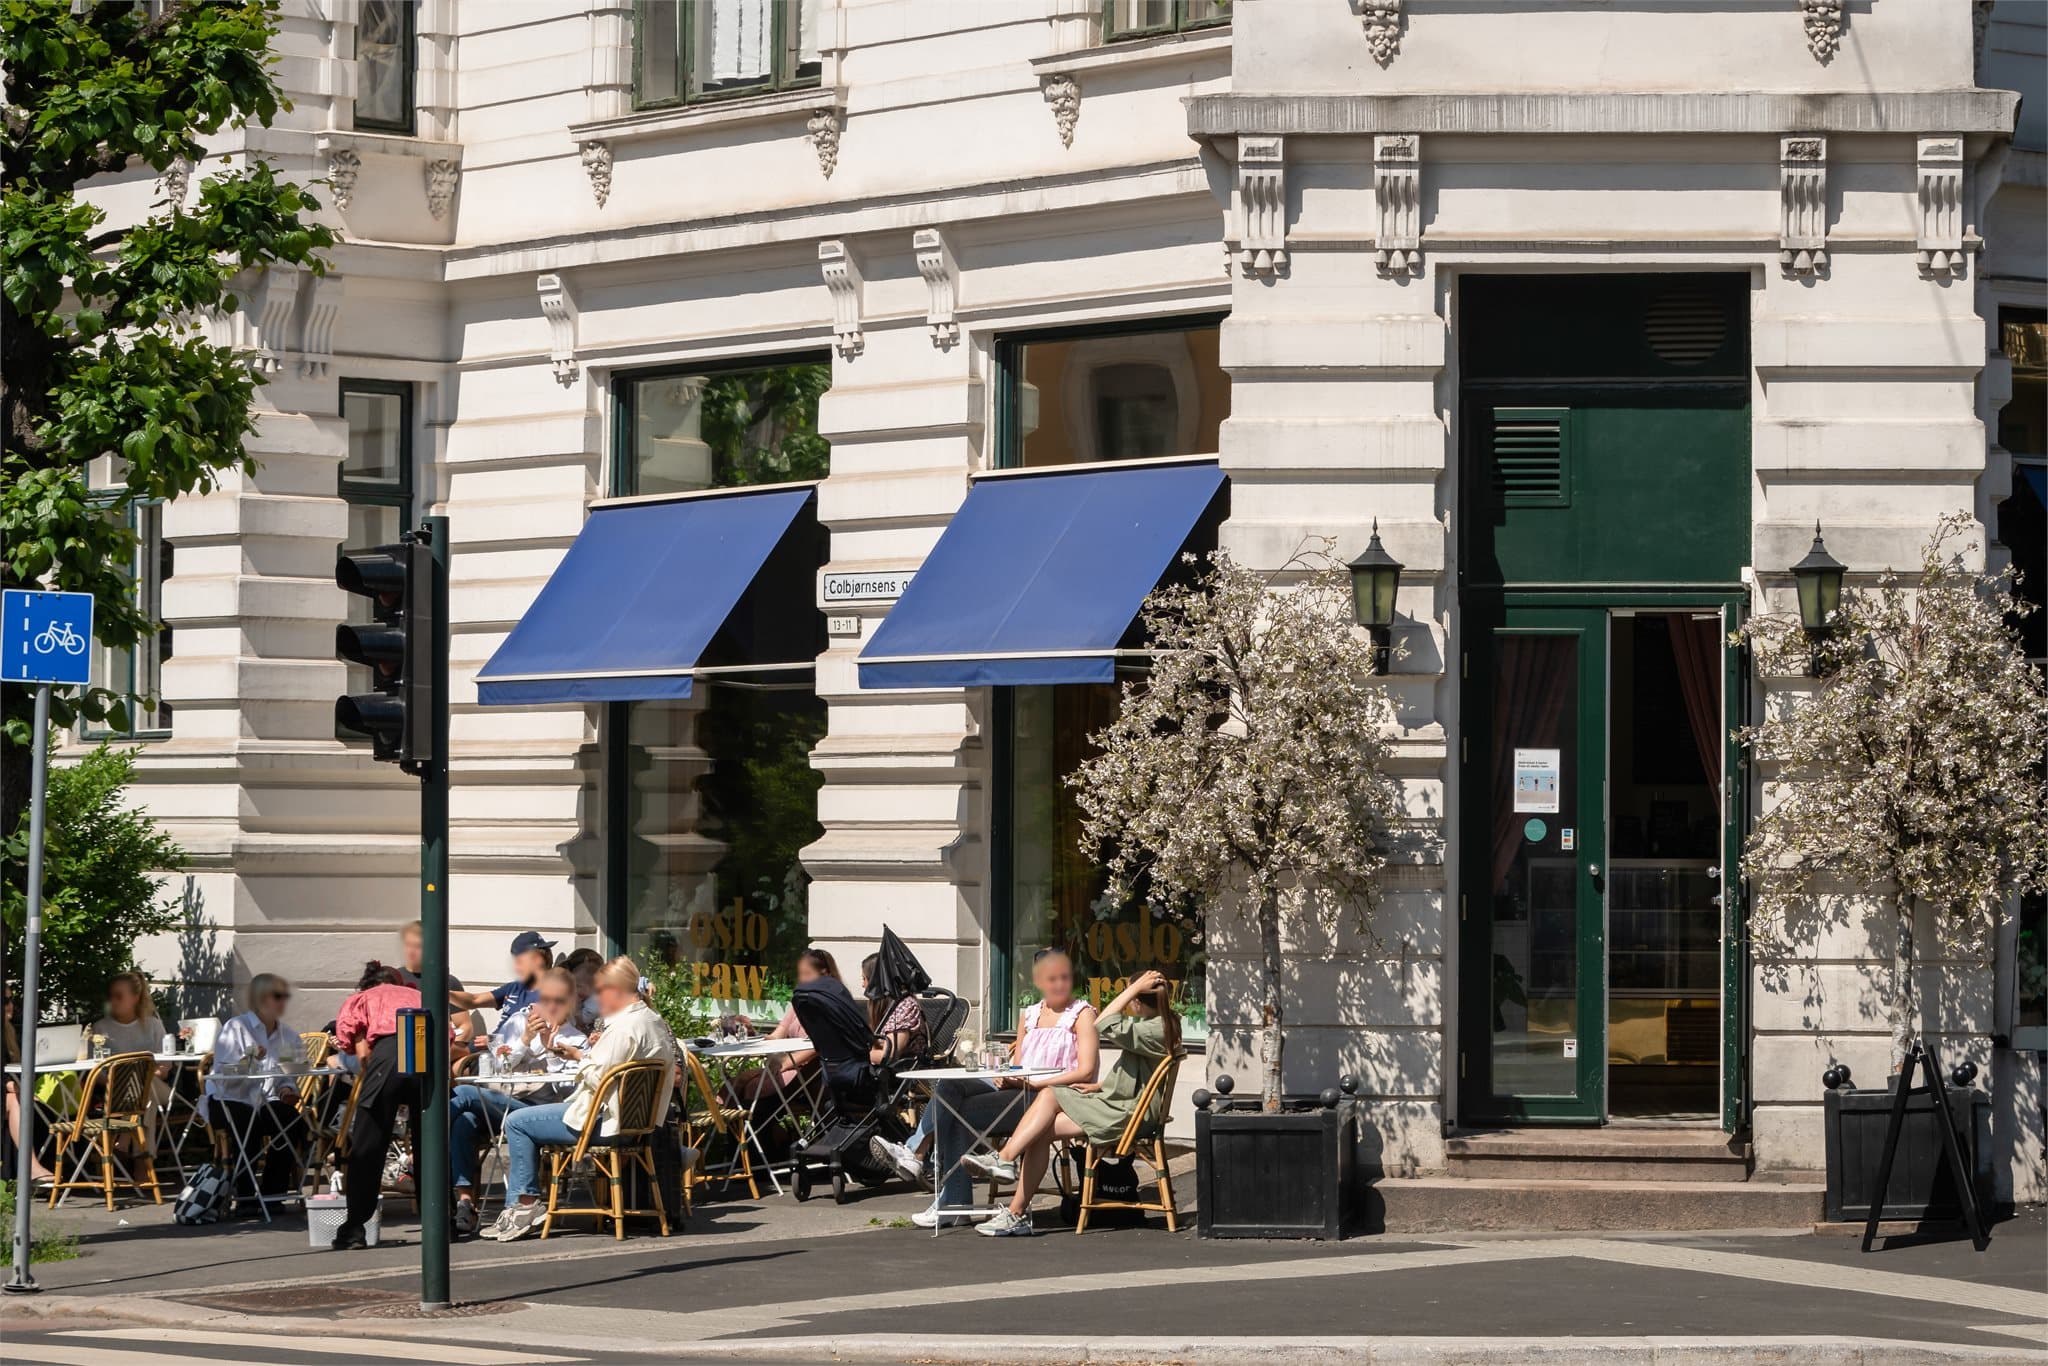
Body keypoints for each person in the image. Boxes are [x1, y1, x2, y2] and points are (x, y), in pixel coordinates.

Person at [887, 947, 1098, 1229]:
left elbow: (1085, 1071)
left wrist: (1034, 1083)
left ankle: (948, 1196)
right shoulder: (1030, 1014)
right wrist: (1007, 1076)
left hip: (1048, 1096)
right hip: (1019, 1089)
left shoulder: (1082, 1014)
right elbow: (1020, 1063)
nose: (1058, 983)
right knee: (950, 1088)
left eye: (1064, 976)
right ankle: (917, 1154)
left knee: (954, 1112)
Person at [967, 968, 1180, 1238]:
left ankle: (1006, 1163)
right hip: (1120, 1103)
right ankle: (1015, 1208)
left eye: (1132, 996)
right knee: (1041, 1130)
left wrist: (1131, 989)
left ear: (1137, 1000)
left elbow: (1102, 1021)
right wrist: (1102, 1085)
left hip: (1127, 1113)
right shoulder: (1163, 1024)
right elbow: (1146, 1075)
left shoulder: (1152, 1029)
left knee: (1050, 1094)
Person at [490, 955, 676, 1243]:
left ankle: (524, 1206)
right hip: (637, 1124)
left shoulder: (624, 1028)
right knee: (526, 1117)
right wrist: (582, 1056)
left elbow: (597, 1076)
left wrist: (581, 1059)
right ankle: (523, 1206)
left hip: (602, 1121)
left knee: (517, 1122)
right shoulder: (653, 1021)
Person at [448, 966, 585, 1238]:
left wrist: (551, 1050)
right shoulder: (517, 1023)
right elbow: (499, 1065)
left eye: (559, 1001)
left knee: (462, 1095)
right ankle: (464, 1202)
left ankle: (422, 1159)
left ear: (570, 1003)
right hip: (502, 1100)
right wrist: (525, 1040)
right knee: (464, 1120)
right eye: (546, 999)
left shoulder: (576, 1038)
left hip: (536, 1111)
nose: (551, 1007)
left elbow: (568, 1090)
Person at [329, 961, 432, 1250]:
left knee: (368, 1145)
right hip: (425, 1051)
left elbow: (360, 1053)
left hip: (387, 1056)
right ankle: (442, 1220)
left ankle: (354, 1228)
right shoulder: (420, 996)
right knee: (429, 1143)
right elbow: (447, 1035)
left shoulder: (362, 999)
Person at [208, 973, 309, 1216]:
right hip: (228, 1099)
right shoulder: (237, 1028)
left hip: (265, 1101)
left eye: (285, 996)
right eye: (278, 996)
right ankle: (245, 1196)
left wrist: (288, 1088)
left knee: (289, 1119)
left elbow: (287, 1074)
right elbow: (224, 1077)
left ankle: (273, 1193)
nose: (283, 1002)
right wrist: (249, 1060)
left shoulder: (287, 1036)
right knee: (246, 1123)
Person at [78, 970, 173, 1147]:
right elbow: (95, 1070)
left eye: (119, 996)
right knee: (146, 1096)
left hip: (156, 1086)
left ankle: (125, 1140)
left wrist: (137, 1081)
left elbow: (165, 1067)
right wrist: (121, 1083)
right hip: (115, 1091)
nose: (113, 1001)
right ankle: (143, 1162)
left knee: (146, 1087)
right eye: (111, 996)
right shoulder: (100, 1028)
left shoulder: (153, 1025)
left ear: (135, 998)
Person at [734, 948, 835, 1108]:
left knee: (754, 1089)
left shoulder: (831, 1006)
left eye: (808, 974)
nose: (802, 979)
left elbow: (822, 1045)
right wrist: (752, 1032)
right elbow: (776, 1037)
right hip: (786, 1065)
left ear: (826, 975)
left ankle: (754, 1131)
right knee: (735, 1083)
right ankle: (729, 1131)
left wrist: (787, 1062)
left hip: (810, 1071)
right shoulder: (799, 1003)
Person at [395, 920, 475, 1046]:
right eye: (408, 945)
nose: (411, 951)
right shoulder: (394, 980)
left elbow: (465, 1026)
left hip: (439, 1049)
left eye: (418, 946)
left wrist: (450, 1052)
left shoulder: (447, 982)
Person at [450, 931, 556, 1020]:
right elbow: (474, 1000)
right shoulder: (514, 987)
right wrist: (445, 994)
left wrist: (493, 1040)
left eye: (545, 953)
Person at [862, 952, 926, 1066]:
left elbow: (889, 1055)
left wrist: (854, 1054)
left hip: (901, 1071)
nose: (863, 985)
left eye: (864, 979)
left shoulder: (905, 1006)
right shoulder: (885, 1007)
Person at [561, 947, 604, 1031]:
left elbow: (581, 1021)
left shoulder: (594, 1001)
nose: (575, 990)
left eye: (578, 986)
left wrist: (576, 1008)